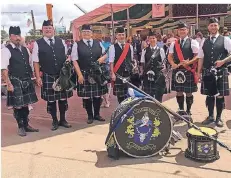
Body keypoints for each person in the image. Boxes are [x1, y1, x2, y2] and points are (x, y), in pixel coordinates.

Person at [32, 20, 73, 130]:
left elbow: (67, 56)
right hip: (48, 75)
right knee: (51, 100)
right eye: (46, 28)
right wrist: (38, 77)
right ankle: (54, 120)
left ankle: (63, 119)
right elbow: (35, 61)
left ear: (53, 30)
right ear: (42, 30)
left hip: (61, 76)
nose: (48, 30)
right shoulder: (37, 43)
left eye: (50, 28)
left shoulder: (61, 42)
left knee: (63, 99)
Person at [1, 26, 38, 136]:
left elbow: (30, 64)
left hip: (27, 80)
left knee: (26, 104)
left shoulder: (25, 49)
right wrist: (8, 83)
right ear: (10, 36)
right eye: (15, 36)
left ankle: (26, 124)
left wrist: (34, 77)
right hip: (15, 81)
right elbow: (4, 68)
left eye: (19, 35)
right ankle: (20, 126)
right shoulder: (6, 50)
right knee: (18, 106)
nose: (17, 38)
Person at [197, 17, 231, 127]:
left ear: (218, 26)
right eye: (211, 25)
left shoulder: (225, 40)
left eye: (215, 25)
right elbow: (201, 58)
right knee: (210, 95)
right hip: (207, 72)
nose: (213, 27)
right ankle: (210, 116)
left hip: (221, 71)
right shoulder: (204, 41)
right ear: (208, 27)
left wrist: (223, 61)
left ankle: (219, 118)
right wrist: (198, 72)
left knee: (220, 96)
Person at [71, 24, 108, 124]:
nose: (86, 33)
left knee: (97, 95)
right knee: (87, 96)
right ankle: (90, 116)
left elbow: (105, 54)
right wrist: (79, 75)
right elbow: (74, 61)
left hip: (97, 73)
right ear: (81, 33)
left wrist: (102, 58)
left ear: (92, 33)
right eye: (84, 32)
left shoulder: (98, 43)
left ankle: (97, 114)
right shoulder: (77, 45)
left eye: (88, 32)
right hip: (84, 73)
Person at [168, 22, 200, 115]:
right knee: (179, 92)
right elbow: (170, 56)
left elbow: (197, 56)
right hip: (178, 70)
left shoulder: (193, 42)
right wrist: (173, 63)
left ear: (187, 31)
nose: (182, 31)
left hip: (188, 70)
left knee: (189, 92)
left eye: (184, 29)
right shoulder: (174, 43)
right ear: (177, 31)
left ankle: (188, 111)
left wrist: (188, 63)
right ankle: (181, 110)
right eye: (180, 29)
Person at [109, 27, 135, 104]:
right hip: (118, 74)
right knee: (120, 96)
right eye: (119, 35)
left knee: (129, 95)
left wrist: (134, 67)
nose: (121, 36)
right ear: (116, 36)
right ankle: (121, 111)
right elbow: (111, 62)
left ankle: (128, 112)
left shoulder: (130, 46)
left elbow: (131, 59)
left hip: (128, 73)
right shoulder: (112, 47)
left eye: (123, 34)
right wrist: (112, 73)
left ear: (125, 35)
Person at [140, 31, 166, 102]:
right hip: (147, 75)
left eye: (154, 38)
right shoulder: (144, 50)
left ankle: (159, 108)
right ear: (148, 40)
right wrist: (142, 73)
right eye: (151, 38)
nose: (152, 40)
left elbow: (164, 62)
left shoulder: (161, 50)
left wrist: (163, 70)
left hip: (158, 75)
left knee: (158, 94)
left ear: (156, 39)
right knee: (148, 94)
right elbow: (142, 63)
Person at [101, 36, 112, 108]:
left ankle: (103, 97)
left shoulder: (101, 45)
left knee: (102, 83)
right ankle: (107, 101)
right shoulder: (112, 46)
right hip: (109, 66)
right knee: (108, 84)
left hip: (101, 66)